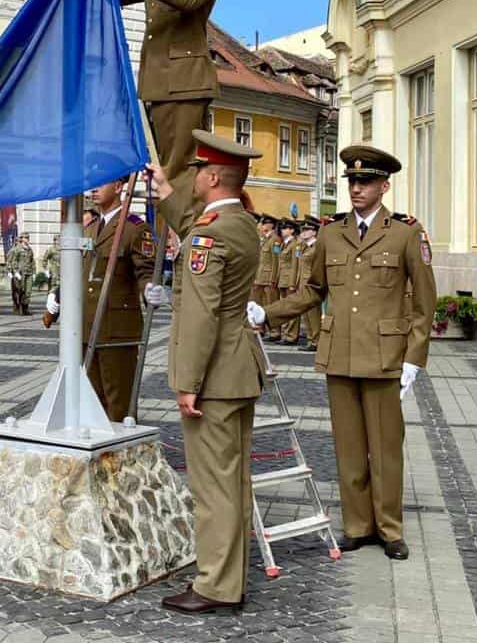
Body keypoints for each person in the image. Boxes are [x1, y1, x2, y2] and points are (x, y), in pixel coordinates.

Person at [247, 145, 437, 561]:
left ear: (384, 187)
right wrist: (269, 312)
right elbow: (314, 290)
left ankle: (389, 528)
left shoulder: (406, 233)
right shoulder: (333, 232)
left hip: (386, 356)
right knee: (349, 447)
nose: (356, 188)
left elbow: (424, 303)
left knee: (385, 448)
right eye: (352, 181)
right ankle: (357, 525)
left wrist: (413, 359)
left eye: (365, 181)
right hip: (341, 354)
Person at [145, 129, 265, 614]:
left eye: (198, 170)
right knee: (233, 484)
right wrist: (169, 197)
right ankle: (228, 580)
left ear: (213, 176)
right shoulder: (240, 224)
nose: (193, 176)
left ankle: (214, 584)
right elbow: (197, 220)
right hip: (239, 370)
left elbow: (199, 316)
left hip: (213, 378)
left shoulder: (208, 236)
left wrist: (186, 383)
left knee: (213, 488)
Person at [113, 0, 224, 185]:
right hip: (156, 82)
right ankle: (164, 232)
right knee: (158, 172)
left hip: (185, 82)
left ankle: (181, 233)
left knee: (178, 173)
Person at [81, 176, 155, 420]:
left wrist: (150, 289)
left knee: (118, 399)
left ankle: (121, 453)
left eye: (101, 181)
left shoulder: (133, 227)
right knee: (93, 397)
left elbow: (145, 270)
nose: (94, 186)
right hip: (87, 324)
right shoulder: (91, 228)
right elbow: (83, 272)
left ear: (118, 186)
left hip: (117, 327)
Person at [297, 216, 321, 351]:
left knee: (313, 314)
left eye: (307, 230)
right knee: (306, 313)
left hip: (312, 285)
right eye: (302, 230)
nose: (303, 232)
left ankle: (317, 341)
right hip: (303, 284)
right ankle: (311, 339)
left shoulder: (317, 247)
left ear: (314, 232)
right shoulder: (305, 247)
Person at [276, 219, 300, 345]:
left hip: (289, 279)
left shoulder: (295, 244)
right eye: (282, 228)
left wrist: (293, 282)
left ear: (292, 230)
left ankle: (291, 335)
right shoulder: (283, 244)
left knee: (291, 308)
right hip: (282, 280)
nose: (282, 230)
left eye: (286, 228)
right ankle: (286, 334)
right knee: (284, 308)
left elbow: (295, 265)